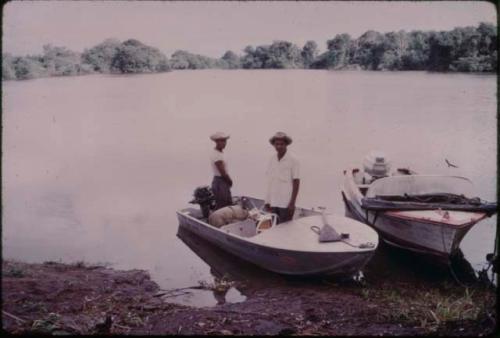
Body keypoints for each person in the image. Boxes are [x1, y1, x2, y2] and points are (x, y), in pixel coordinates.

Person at [264, 132, 300, 224]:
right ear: (274, 145)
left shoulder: (293, 159)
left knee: (286, 231)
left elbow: (296, 181)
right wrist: (267, 200)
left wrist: (292, 203)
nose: (279, 146)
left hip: (285, 203)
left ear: (286, 144)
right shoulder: (272, 159)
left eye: (282, 144)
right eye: (277, 144)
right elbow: (270, 181)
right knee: (274, 228)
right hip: (274, 202)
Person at [210, 132, 233, 210]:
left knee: (227, 202)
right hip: (220, 181)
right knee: (223, 206)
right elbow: (222, 172)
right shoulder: (216, 154)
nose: (224, 143)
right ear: (216, 142)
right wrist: (230, 181)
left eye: (225, 141)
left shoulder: (220, 153)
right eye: (222, 141)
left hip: (222, 181)